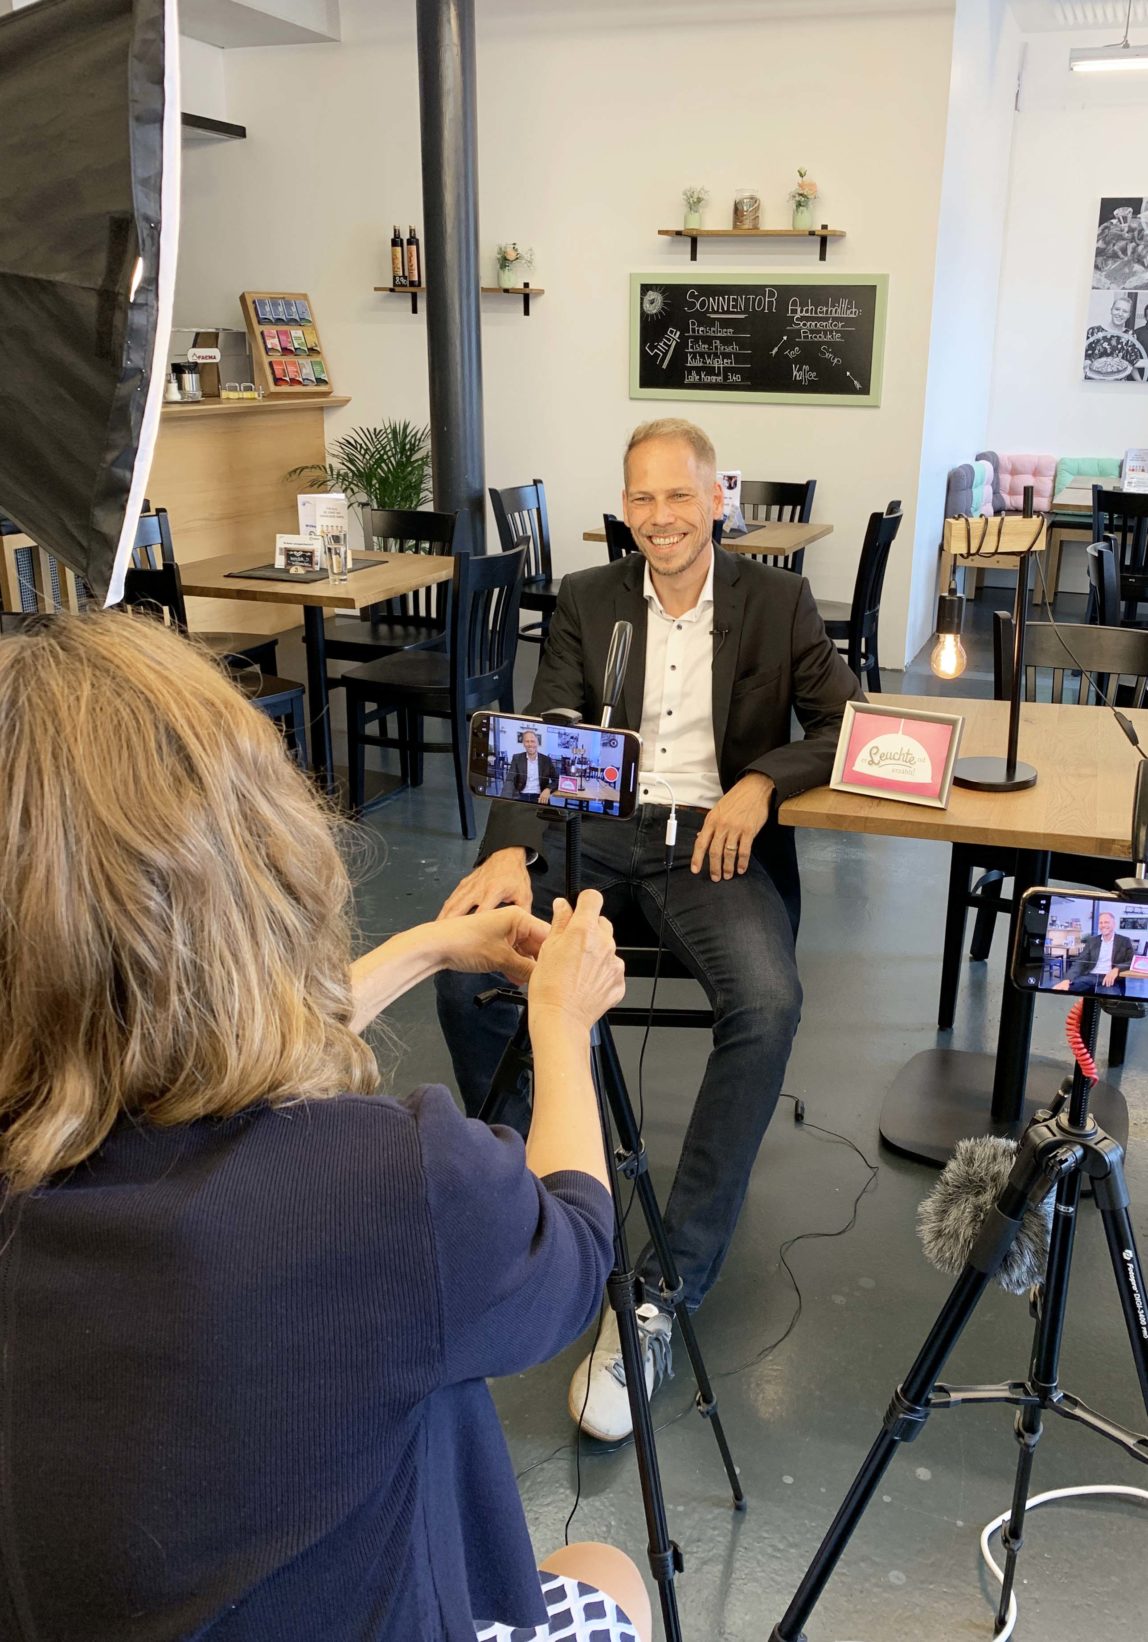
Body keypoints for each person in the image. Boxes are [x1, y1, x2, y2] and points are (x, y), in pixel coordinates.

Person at [0, 613, 651, 1642]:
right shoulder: (386, 1181)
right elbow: (569, 1246)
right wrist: (563, 1025)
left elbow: (194, 1048)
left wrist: (427, 948)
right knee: (605, 1570)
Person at [436, 417, 862, 1442]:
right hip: (591, 831)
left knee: (766, 1004)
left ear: (717, 501)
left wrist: (761, 782)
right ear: (622, 507)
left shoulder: (776, 600)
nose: (659, 516)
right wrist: (510, 846)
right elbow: (547, 729)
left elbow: (842, 720)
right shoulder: (588, 600)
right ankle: (535, 1197)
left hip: (708, 843)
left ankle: (663, 1289)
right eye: (641, 497)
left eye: (678, 495)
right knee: (467, 971)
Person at [1053, 910, 1134, 996]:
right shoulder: (1092, 941)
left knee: (1110, 1000)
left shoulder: (1124, 941)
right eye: (1101, 923)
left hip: (1109, 978)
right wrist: (1067, 979)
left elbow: (1132, 961)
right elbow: (1080, 962)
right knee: (1061, 990)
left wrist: (1116, 969)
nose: (1103, 925)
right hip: (1089, 977)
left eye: (1106, 922)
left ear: (1114, 924)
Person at [501, 726, 559, 802]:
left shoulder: (546, 760)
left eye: (532, 741)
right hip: (521, 795)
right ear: (523, 744)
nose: (530, 744)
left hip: (540, 796)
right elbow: (510, 780)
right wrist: (504, 800)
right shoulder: (517, 758)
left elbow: (557, 780)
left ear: (537, 743)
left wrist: (548, 789)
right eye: (527, 741)